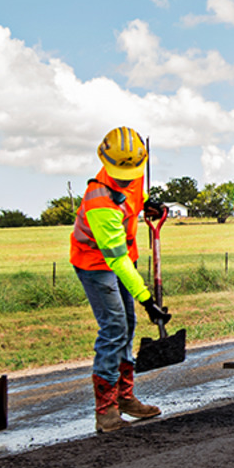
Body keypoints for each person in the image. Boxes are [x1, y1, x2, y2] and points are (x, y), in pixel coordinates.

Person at [70, 127, 170, 432]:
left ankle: (125, 397)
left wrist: (148, 204)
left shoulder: (133, 170)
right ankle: (106, 410)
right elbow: (114, 260)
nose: (126, 178)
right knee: (114, 327)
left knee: (127, 324)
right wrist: (147, 300)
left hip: (123, 257)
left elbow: (135, 198)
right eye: (120, 174)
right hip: (95, 263)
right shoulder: (99, 198)